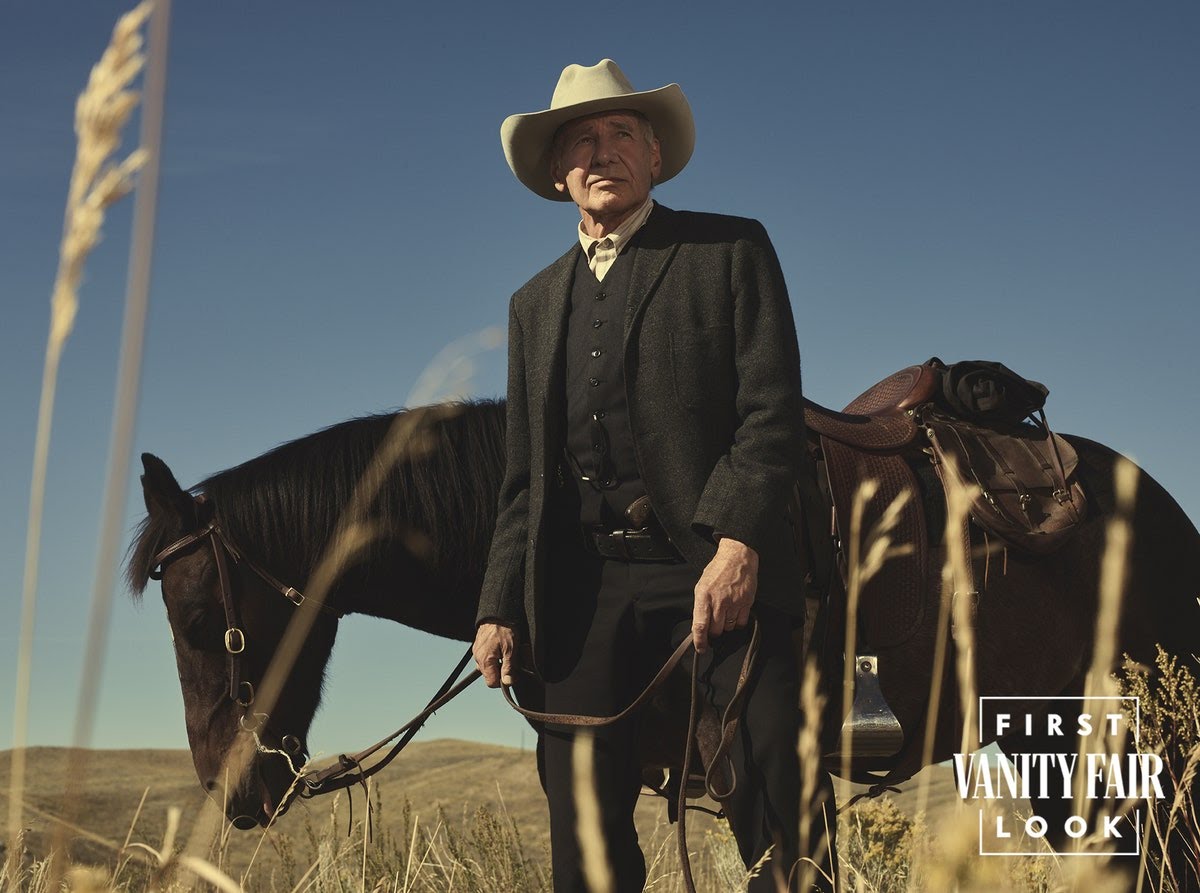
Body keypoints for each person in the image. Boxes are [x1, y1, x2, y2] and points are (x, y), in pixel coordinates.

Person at [473, 59, 836, 892]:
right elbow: (524, 477)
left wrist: (740, 541)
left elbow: (771, 412)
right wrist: (498, 604)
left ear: (655, 157)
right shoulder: (532, 304)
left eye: (621, 135)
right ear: (560, 176)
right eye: (583, 142)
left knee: (775, 787)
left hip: (708, 557)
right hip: (585, 580)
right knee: (582, 832)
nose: (603, 154)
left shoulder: (729, 249)